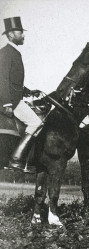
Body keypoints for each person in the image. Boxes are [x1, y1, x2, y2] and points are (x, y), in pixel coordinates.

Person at [0, 16, 42, 173]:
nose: (23, 35)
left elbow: (13, 82)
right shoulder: (6, 52)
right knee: (36, 122)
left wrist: (29, 91)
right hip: (10, 101)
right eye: (19, 32)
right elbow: (2, 79)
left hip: (14, 97)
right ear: (10, 35)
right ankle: (16, 160)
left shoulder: (13, 52)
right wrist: (7, 104)